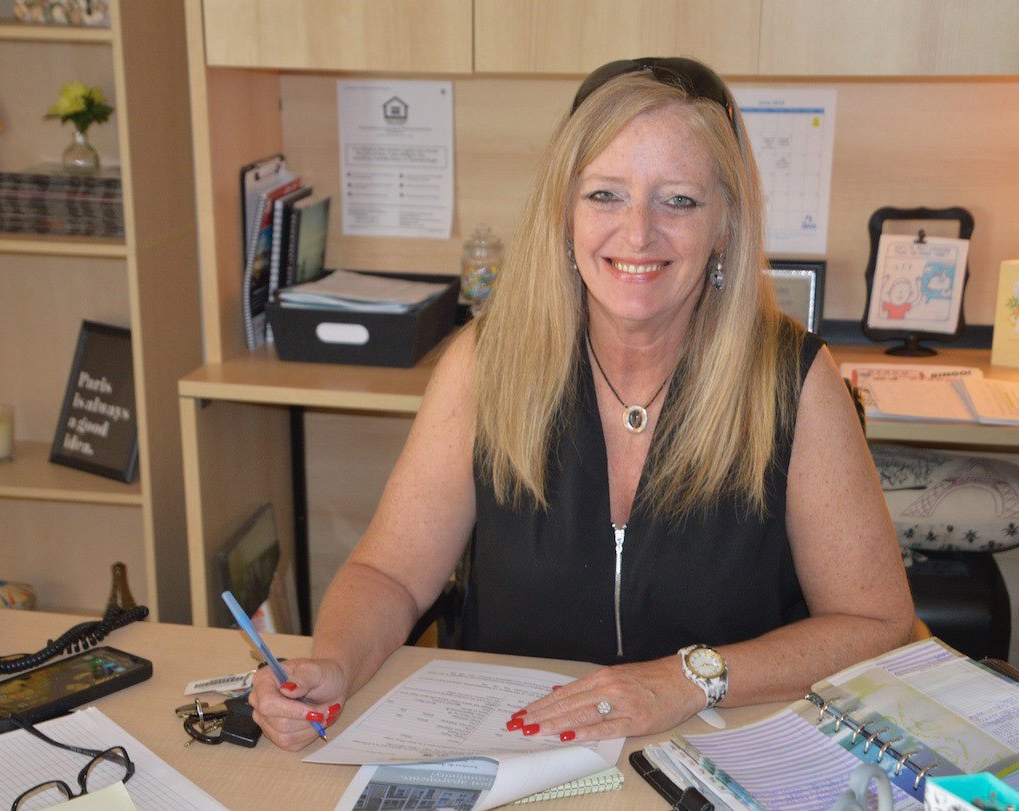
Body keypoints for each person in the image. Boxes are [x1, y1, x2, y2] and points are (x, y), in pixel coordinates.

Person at [250, 57, 914, 751]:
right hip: (521, 754)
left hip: (717, 750)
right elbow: (387, 573)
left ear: (726, 221)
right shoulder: (485, 364)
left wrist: (688, 679)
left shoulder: (791, 381)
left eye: (678, 201)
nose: (638, 233)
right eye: (605, 195)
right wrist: (334, 664)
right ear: (564, 210)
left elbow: (876, 622)